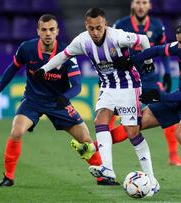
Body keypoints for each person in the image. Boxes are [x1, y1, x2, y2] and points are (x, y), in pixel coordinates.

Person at [34, 8, 160, 196]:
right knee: (100, 121)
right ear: (87, 26)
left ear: (105, 25)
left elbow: (142, 39)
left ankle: (152, 179)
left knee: (132, 133)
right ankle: (107, 169)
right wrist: (44, 69)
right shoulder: (82, 40)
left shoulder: (117, 36)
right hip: (108, 87)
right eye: (91, 28)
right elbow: (63, 55)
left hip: (128, 86)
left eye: (98, 28)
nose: (95, 32)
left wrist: (148, 60)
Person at [0, 14, 110, 187]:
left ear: (57, 31)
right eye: (44, 30)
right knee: (16, 132)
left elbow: (77, 85)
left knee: (86, 139)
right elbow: (12, 69)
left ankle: (102, 176)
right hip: (33, 100)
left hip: (58, 102)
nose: (48, 33)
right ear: (38, 31)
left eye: (51, 29)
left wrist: (64, 98)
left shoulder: (67, 52)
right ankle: (9, 177)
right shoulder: (27, 49)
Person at [99, 20, 181, 197]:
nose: (178, 46)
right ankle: (93, 147)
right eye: (177, 41)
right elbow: (156, 50)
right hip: (177, 98)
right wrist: (131, 61)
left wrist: (160, 96)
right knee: (135, 124)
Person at [112, 0, 181, 166]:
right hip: (127, 78)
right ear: (132, 5)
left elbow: (164, 49)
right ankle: (103, 151)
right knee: (110, 112)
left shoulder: (157, 25)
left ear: (149, 6)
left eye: (144, 2)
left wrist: (167, 72)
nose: (140, 6)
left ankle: (174, 155)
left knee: (164, 111)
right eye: (138, 2)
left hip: (150, 78)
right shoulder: (121, 25)